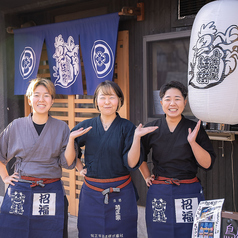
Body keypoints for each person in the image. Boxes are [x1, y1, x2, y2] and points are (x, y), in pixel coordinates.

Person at [64, 80, 157, 238]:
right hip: (92, 191)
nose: (107, 102)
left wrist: (136, 139)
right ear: (96, 101)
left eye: (112, 97)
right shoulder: (86, 125)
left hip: (121, 190)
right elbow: (68, 159)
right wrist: (78, 161)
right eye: (102, 97)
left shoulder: (127, 127)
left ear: (119, 100)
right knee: (89, 232)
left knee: (123, 233)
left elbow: (132, 163)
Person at [0, 78, 76, 238]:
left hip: (50, 190)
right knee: (15, 232)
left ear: (53, 100)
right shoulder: (16, 125)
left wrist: (71, 140)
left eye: (46, 95)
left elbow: (68, 163)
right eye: (36, 95)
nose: (41, 100)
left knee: (49, 233)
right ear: (29, 99)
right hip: (20, 189)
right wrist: (5, 176)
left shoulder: (62, 127)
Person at [139, 81, 216, 238]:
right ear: (161, 103)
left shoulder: (194, 128)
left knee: (189, 233)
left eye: (177, 99)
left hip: (188, 190)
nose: (172, 103)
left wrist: (192, 142)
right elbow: (139, 156)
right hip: (160, 190)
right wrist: (146, 176)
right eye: (167, 99)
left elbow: (207, 164)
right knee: (159, 233)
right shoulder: (152, 128)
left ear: (185, 102)